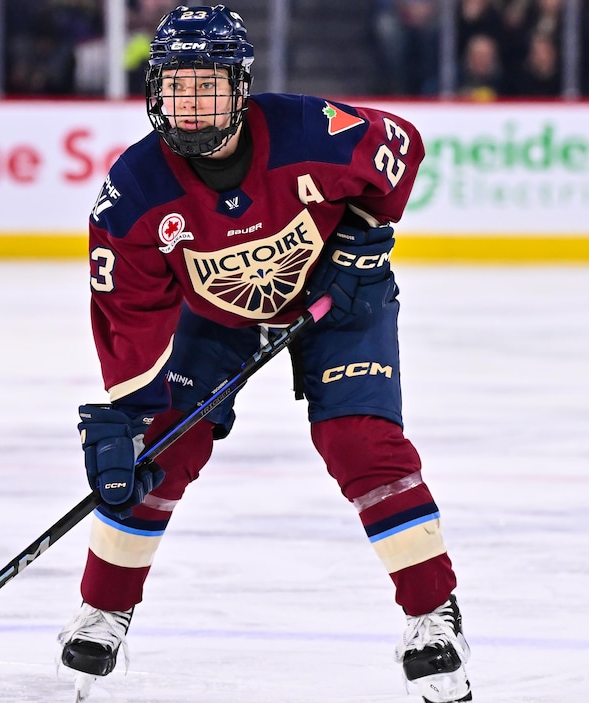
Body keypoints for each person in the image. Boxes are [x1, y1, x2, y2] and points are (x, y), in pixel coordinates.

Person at [57, 5, 470, 702]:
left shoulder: (312, 130)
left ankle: (434, 615)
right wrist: (128, 414)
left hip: (339, 298)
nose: (190, 104)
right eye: (176, 87)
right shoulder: (133, 193)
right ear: (155, 90)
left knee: (362, 443)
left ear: (241, 87)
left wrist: (362, 241)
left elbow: (402, 146)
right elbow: (129, 311)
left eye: (207, 85)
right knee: (159, 452)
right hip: (213, 316)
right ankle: (104, 606)